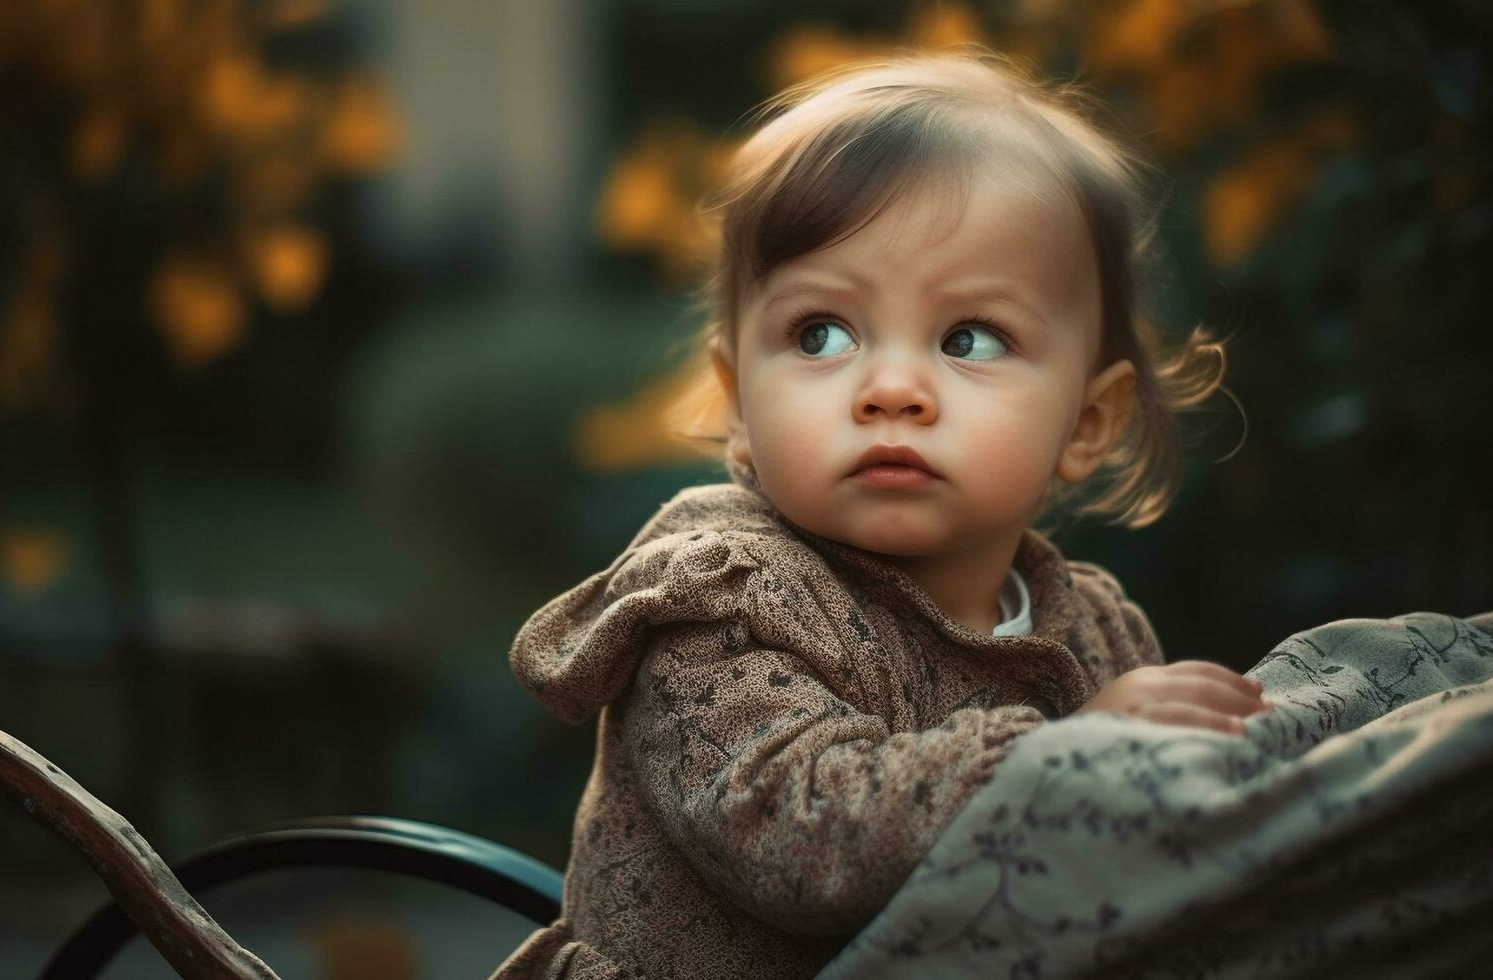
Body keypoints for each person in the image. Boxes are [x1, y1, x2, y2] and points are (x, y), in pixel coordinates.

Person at [494, 45, 1262, 980]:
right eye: (821, 334)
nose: (891, 388)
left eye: (968, 338)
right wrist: (1066, 759)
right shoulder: (723, 595)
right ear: (737, 398)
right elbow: (798, 835)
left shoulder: (1095, 635)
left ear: (1085, 424)